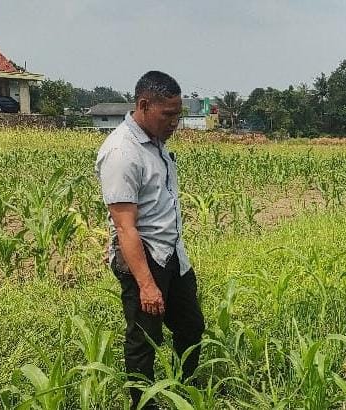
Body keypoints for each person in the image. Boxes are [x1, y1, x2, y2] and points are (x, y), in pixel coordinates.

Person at [95, 70, 205, 408]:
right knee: (144, 337)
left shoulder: (155, 143)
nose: (175, 123)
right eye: (168, 114)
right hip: (142, 258)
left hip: (172, 254)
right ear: (143, 105)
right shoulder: (121, 152)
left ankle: (184, 388)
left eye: (178, 114)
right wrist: (146, 285)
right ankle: (142, 402)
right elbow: (125, 227)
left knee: (191, 326)